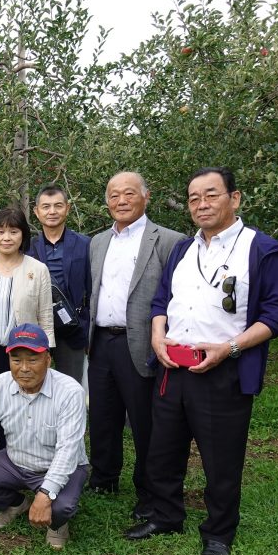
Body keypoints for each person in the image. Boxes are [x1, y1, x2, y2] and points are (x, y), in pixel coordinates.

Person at [124, 167, 278, 555]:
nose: (201, 204)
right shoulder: (184, 250)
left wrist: (229, 347)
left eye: (211, 195)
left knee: (221, 456)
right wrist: (156, 335)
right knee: (163, 449)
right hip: (173, 365)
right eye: (193, 198)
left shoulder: (262, 249)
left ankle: (219, 533)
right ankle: (166, 516)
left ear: (234, 199)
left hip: (224, 369)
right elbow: (160, 301)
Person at [87, 172, 185, 519]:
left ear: (147, 197)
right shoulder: (98, 242)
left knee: (144, 419)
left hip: (142, 341)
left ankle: (148, 486)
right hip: (100, 340)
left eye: (129, 193)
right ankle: (103, 476)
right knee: (102, 414)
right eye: (113, 195)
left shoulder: (170, 240)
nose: (121, 201)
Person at [0, 324, 89, 550]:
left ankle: (57, 524)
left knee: (61, 507)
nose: (24, 368)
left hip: (60, 464)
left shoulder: (70, 392)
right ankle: (17, 504)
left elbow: (68, 451)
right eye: (16, 360)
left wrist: (46, 494)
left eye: (33, 360)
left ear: (48, 359)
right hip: (15, 462)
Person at [0, 206, 54, 382]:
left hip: (25, 354)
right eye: (0, 232)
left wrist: (46, 354)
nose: (6, 238)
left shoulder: (38, 269)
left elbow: (45, 316)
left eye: (13, 232)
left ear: (23, 235)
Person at [26, 185, 91, 384]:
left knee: (71, 386)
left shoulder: (86, 244)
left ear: (67, 208)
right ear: (36, 211)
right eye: (46, 207)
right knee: (32, 385)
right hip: (36, 327)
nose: (52, 211)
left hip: (72, 328)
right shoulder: (26, 247)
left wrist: (87, 327)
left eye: (58, 206)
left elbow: (94, 288)